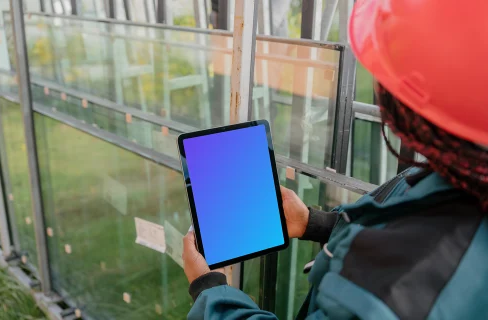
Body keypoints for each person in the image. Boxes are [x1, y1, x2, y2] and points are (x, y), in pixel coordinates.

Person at [182, 0, 488, 319]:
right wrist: (317, 223)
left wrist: (208, 290)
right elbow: (400, 216)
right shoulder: (461, 174)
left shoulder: (386, 293)